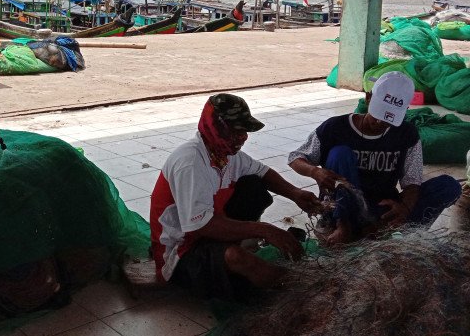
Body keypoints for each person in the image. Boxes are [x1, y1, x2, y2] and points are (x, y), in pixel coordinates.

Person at [150, 94, 322, 300]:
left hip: (207, 232)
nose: (243, 138)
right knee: (238, 261)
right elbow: (201, 226)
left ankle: (242, 254)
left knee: (254, 186)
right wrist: (264, 230)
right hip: (181, 252)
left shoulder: (224, 154)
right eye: (236, 131)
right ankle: (302, 286)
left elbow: (262, 172)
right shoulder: (190, 162)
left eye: (244, 131)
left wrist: (296, 194)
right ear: (215, 126)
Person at [288, 72, 462, 245]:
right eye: (379, 114)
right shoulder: (335, 128)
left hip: (380, 209)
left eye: (389, 118)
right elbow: (296, 157)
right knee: (340, 154)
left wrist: (403, 208)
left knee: (448, 186)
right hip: (343, 208)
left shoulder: (406, 134)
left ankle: (381, 229)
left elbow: (412, 182)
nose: (380, 123)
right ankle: (343, 228)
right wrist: (315, 172)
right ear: (369, 97)